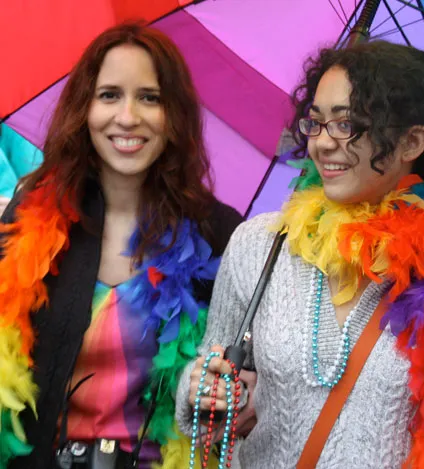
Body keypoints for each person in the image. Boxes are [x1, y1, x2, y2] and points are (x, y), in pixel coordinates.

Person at [176, 41, 424, 468]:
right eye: (316, 122)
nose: (322, 144)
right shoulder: (262, 244)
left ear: (412, 141)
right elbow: (210, 368)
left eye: (346, 124)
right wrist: (206, 391)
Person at [0, 23, 243, 469]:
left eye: (149, 97)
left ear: (174, 115)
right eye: (109, 95)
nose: (128, 117)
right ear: (84, 109)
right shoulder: (34, 213)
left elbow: (242, 386)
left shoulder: (218, 234)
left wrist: (229, 390)